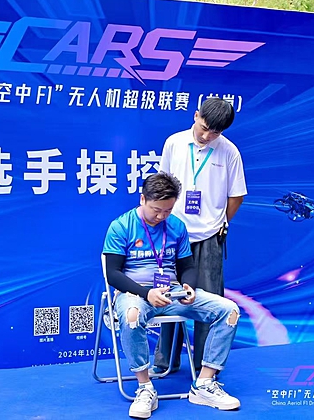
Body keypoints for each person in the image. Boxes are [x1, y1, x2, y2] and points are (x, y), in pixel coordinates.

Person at [103, 172, 241, 418]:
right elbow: (112, 273)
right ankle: (145, 388)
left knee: (229, 310)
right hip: (135, 293)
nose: (161, 216)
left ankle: (204, 384)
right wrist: (146, 293)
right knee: (132, 316)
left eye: (167, 210)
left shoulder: (177, 226)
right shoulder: (121, 226)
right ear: (142, 199)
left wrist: (188, 287)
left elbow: (187, 266)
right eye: (156, 210)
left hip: (173, 293)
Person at [152, 98, 247, 375]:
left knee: (209, 302)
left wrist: (220, 223)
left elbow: (236, 195)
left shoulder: (229, 152)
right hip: (173, 234)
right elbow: (162, 185)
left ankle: (205, 367)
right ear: (196, 116)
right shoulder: (174, 143)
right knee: (168, 296)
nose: (206, 136)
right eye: (204, 128)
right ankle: (165, 361)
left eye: (214, 133)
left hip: (209, 236)